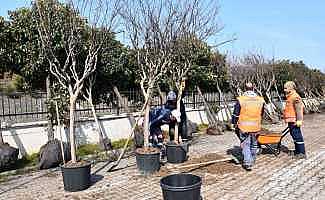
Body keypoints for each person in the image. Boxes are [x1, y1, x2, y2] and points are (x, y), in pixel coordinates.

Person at [231, 82, 265, 171]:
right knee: (254, 144)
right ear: (253, 88)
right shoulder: (260, 100)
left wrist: (233, 123)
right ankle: (252, 160)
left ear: (244, 89)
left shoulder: (241, 99)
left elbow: (236, 114)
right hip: (256, 126)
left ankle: (248, 162)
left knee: (245, 144)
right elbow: (262, 113)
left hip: (244, 127)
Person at [283, 81, 306, 159]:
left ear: (291, 88)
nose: (284, 90)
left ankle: (302, 153)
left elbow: (299, 109)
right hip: (291, 120)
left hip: (294, 121)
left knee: (298, 136)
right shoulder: (290, 96)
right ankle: (297, 151)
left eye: (286, 88)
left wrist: (299, 120)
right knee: (294, 136)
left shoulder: (295, 97)